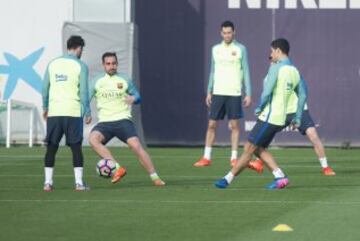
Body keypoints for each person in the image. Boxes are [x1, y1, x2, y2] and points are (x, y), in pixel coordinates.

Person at [215, 38, 307, 189]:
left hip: (270, 117)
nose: (271, 54)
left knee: (249, 148)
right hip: (280, 119)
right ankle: (280, 176)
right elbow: (303, 95)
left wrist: (259, 107)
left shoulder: (276, 68)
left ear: (278, 51)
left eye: (272, 51)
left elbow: (266, 93)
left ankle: (227, 179)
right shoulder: (295, 71)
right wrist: (297, 117)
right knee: (258, 149)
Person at [88, 52, 165, 186]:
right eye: (108, 64)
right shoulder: (96, 81)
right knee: (93, 140)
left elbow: (138, 96)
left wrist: (134, 98)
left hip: (123, 120)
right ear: (103, 65)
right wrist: (87, 112)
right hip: (105, 123)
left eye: (114, 63)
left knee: (135, 145)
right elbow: (85, 98)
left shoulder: (125, 79)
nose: (111, 66)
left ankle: (155, 177)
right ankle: (117, 168)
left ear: (117, 64)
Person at [248, 62, 336, 176]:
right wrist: (262, 108)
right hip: (281, 112)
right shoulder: (267, 79)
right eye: (271, 61)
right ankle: (259, 162)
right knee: (268, 133)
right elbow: (268, 97)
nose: (273, 62)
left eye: (275, 61)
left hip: (298, 110)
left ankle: (326, 168)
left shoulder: (291, 72)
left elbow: (303, 91)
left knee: (313, 135)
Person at [194, 20, 252, 167]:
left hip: (234, 93)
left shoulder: (241, 49)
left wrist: (248, 93)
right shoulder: (215, 49)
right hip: (218, 92)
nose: (227, 35)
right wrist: (209, 91)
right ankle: (206, 157)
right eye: (224, 33)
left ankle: (234, 158)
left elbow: (245, 71)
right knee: (212, 124)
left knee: (234, 126)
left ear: (234, 32)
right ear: (221, 33)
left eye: (229, 32)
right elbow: (213, 71)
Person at [42, 35, 91, 191]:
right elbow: (83, 92)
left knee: (51, 148)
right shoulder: (81, 65)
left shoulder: (52, 63)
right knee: (76, 147)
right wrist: (88, 111)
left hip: (55, 112)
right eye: (81, 49)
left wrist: (45, 107)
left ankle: (48, 183)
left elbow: (44, 89)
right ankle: (78, 183)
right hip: (73, 112)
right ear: (78, 48)